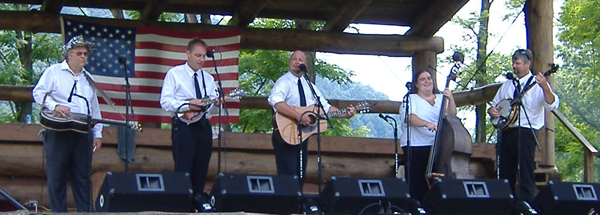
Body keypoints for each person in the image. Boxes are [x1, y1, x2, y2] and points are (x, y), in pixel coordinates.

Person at [32, 36, 103, 212]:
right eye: (79, 53)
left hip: (82, 132)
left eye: (85, 54)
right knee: (57, 176)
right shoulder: (54, 72)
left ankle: (85, 212)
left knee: (82, 176)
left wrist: (98, 133)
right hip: (58, 130)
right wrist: (55, 105)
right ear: (69, 55)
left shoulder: (89, 78)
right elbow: (38, 93)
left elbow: (94, 108)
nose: (83, 57)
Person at [268, 50, 357, 185]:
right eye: (294, 59)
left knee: (300, 176)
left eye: (301, 60)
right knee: (288, 176)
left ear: (306, 65)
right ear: (289, 63)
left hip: (302, 135)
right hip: (285, 134)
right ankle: (286, 204)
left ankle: (297, 203)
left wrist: (345, 113)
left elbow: (325, 108)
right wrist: (299, 116)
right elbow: (276, 102)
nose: (297, 62)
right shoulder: (284, 82)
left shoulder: (309, 85)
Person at [159, 38, 223, 212]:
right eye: (197, 55)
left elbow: (211, 110)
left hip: (203, 125)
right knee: (184, 166)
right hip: (183, 125)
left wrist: (216, 105)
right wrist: (188, 105)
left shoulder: (208, 78)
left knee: (201, 165)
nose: (201, 59)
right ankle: (181, 203)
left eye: (203, 56)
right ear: (188, 54)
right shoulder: (175, 74)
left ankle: (197, 199)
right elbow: (165, 102)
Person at [488, 49, 559, 204]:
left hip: (527, 131)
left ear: (528, 64)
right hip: (507, 132)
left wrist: (545, 87)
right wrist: (492, 111)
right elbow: (494, 106)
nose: (514, 66)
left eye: (518, 63)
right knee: (506, 171)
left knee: (526, 171)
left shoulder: (537, 84)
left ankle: (527, 204)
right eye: (513, 63)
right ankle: (507, 204)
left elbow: (551, 105)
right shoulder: (508, 84)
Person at [399, 69, 456, 202]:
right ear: (416, 84)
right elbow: (409, 117)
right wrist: (426, 123)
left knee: (438, 184)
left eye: (429, 78)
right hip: (416, 146)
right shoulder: (410, 99)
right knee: (417, 183)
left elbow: (452, 116)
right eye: (422, 79)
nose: (427, 81)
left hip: (438, 147)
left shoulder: (442, 98)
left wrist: (451, 98)